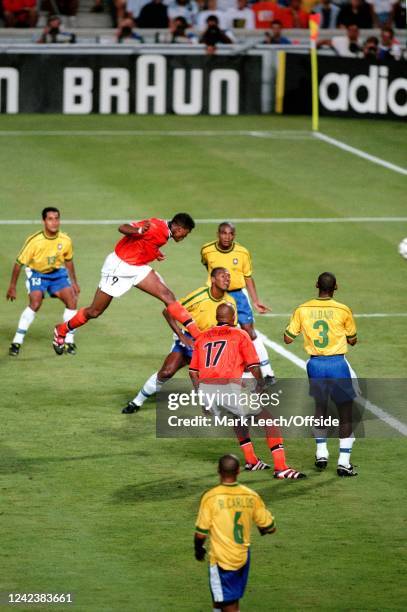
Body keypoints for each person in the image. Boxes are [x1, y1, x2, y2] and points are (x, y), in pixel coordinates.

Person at [52, 214, 200, 355]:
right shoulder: (155, 227)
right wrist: (139, 230)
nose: (184, 237)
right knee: (95, 311)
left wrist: (154, 252)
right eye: (185, 234)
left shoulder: (164, 230)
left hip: (138, 267)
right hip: (119, 267)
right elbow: (123, 228)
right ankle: (62, 330)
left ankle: (198, 337)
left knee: (168, 296)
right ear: (179, 229)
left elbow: (146, 242)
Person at [190, 303, 306, 478]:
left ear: (217, 317)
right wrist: (260, 386)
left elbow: (193, 372)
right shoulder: (240, 334)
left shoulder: (202, 337)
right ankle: (281, 468)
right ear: (233, 317)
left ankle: (252, 461)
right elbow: (253, 366)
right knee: (269, 421)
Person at [122, 267, 236, 414]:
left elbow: (231, 329)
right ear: (213, 279)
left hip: (211, 345)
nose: (227, 279)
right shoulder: (199, 296)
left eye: (229, 277)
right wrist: (181, 336)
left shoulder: (230, 303)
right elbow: (168, 310)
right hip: (189, 339)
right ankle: (136, 402)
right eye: (223, 276)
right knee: (166, 372)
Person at [284, 272, 358, 477]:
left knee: (320, 408)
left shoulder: (303, 309)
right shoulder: (343, 310)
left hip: (315, 365)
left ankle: (321, 453)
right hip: (337, 364)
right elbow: (352, 340)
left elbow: (288, 338)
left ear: (317, 285)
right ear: (337, 287)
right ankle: (344, 462)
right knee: (345, 412)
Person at [194, 454, 276, 612]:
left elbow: (200, 534)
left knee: (228, 603)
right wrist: (263, 528)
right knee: (222, 599)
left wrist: (198, 550)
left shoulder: (211, 497)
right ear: (238, 471)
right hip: (243, 556)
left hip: (222, 559)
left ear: (218, 470)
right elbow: (270, 527)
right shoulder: (251, 496)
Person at [201, 222, 275, 384]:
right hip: (216, 295)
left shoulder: (242, 252)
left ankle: (267, 371)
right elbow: (208, 267)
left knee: (249, 331)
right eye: (224, 233)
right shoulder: (207, 250)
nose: (227, 237)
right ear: (218, 234)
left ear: (234, 235)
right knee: (215, 332)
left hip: (237, 295)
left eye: (231, 234)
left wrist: (255, 300)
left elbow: (248, 277)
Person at [7, 207, 80, 357]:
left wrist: (74, 282)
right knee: (35, 303)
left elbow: (69, 260)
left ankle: (68, 341)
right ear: (44, 221)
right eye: (50, 219)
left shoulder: (65, 240)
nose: (54, 222)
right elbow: (18, 263)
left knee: (72, 300)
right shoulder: (34, 241)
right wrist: (12, 287)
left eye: (57, 218)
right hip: (37, 273)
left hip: (57, 274)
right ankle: (17, 341)